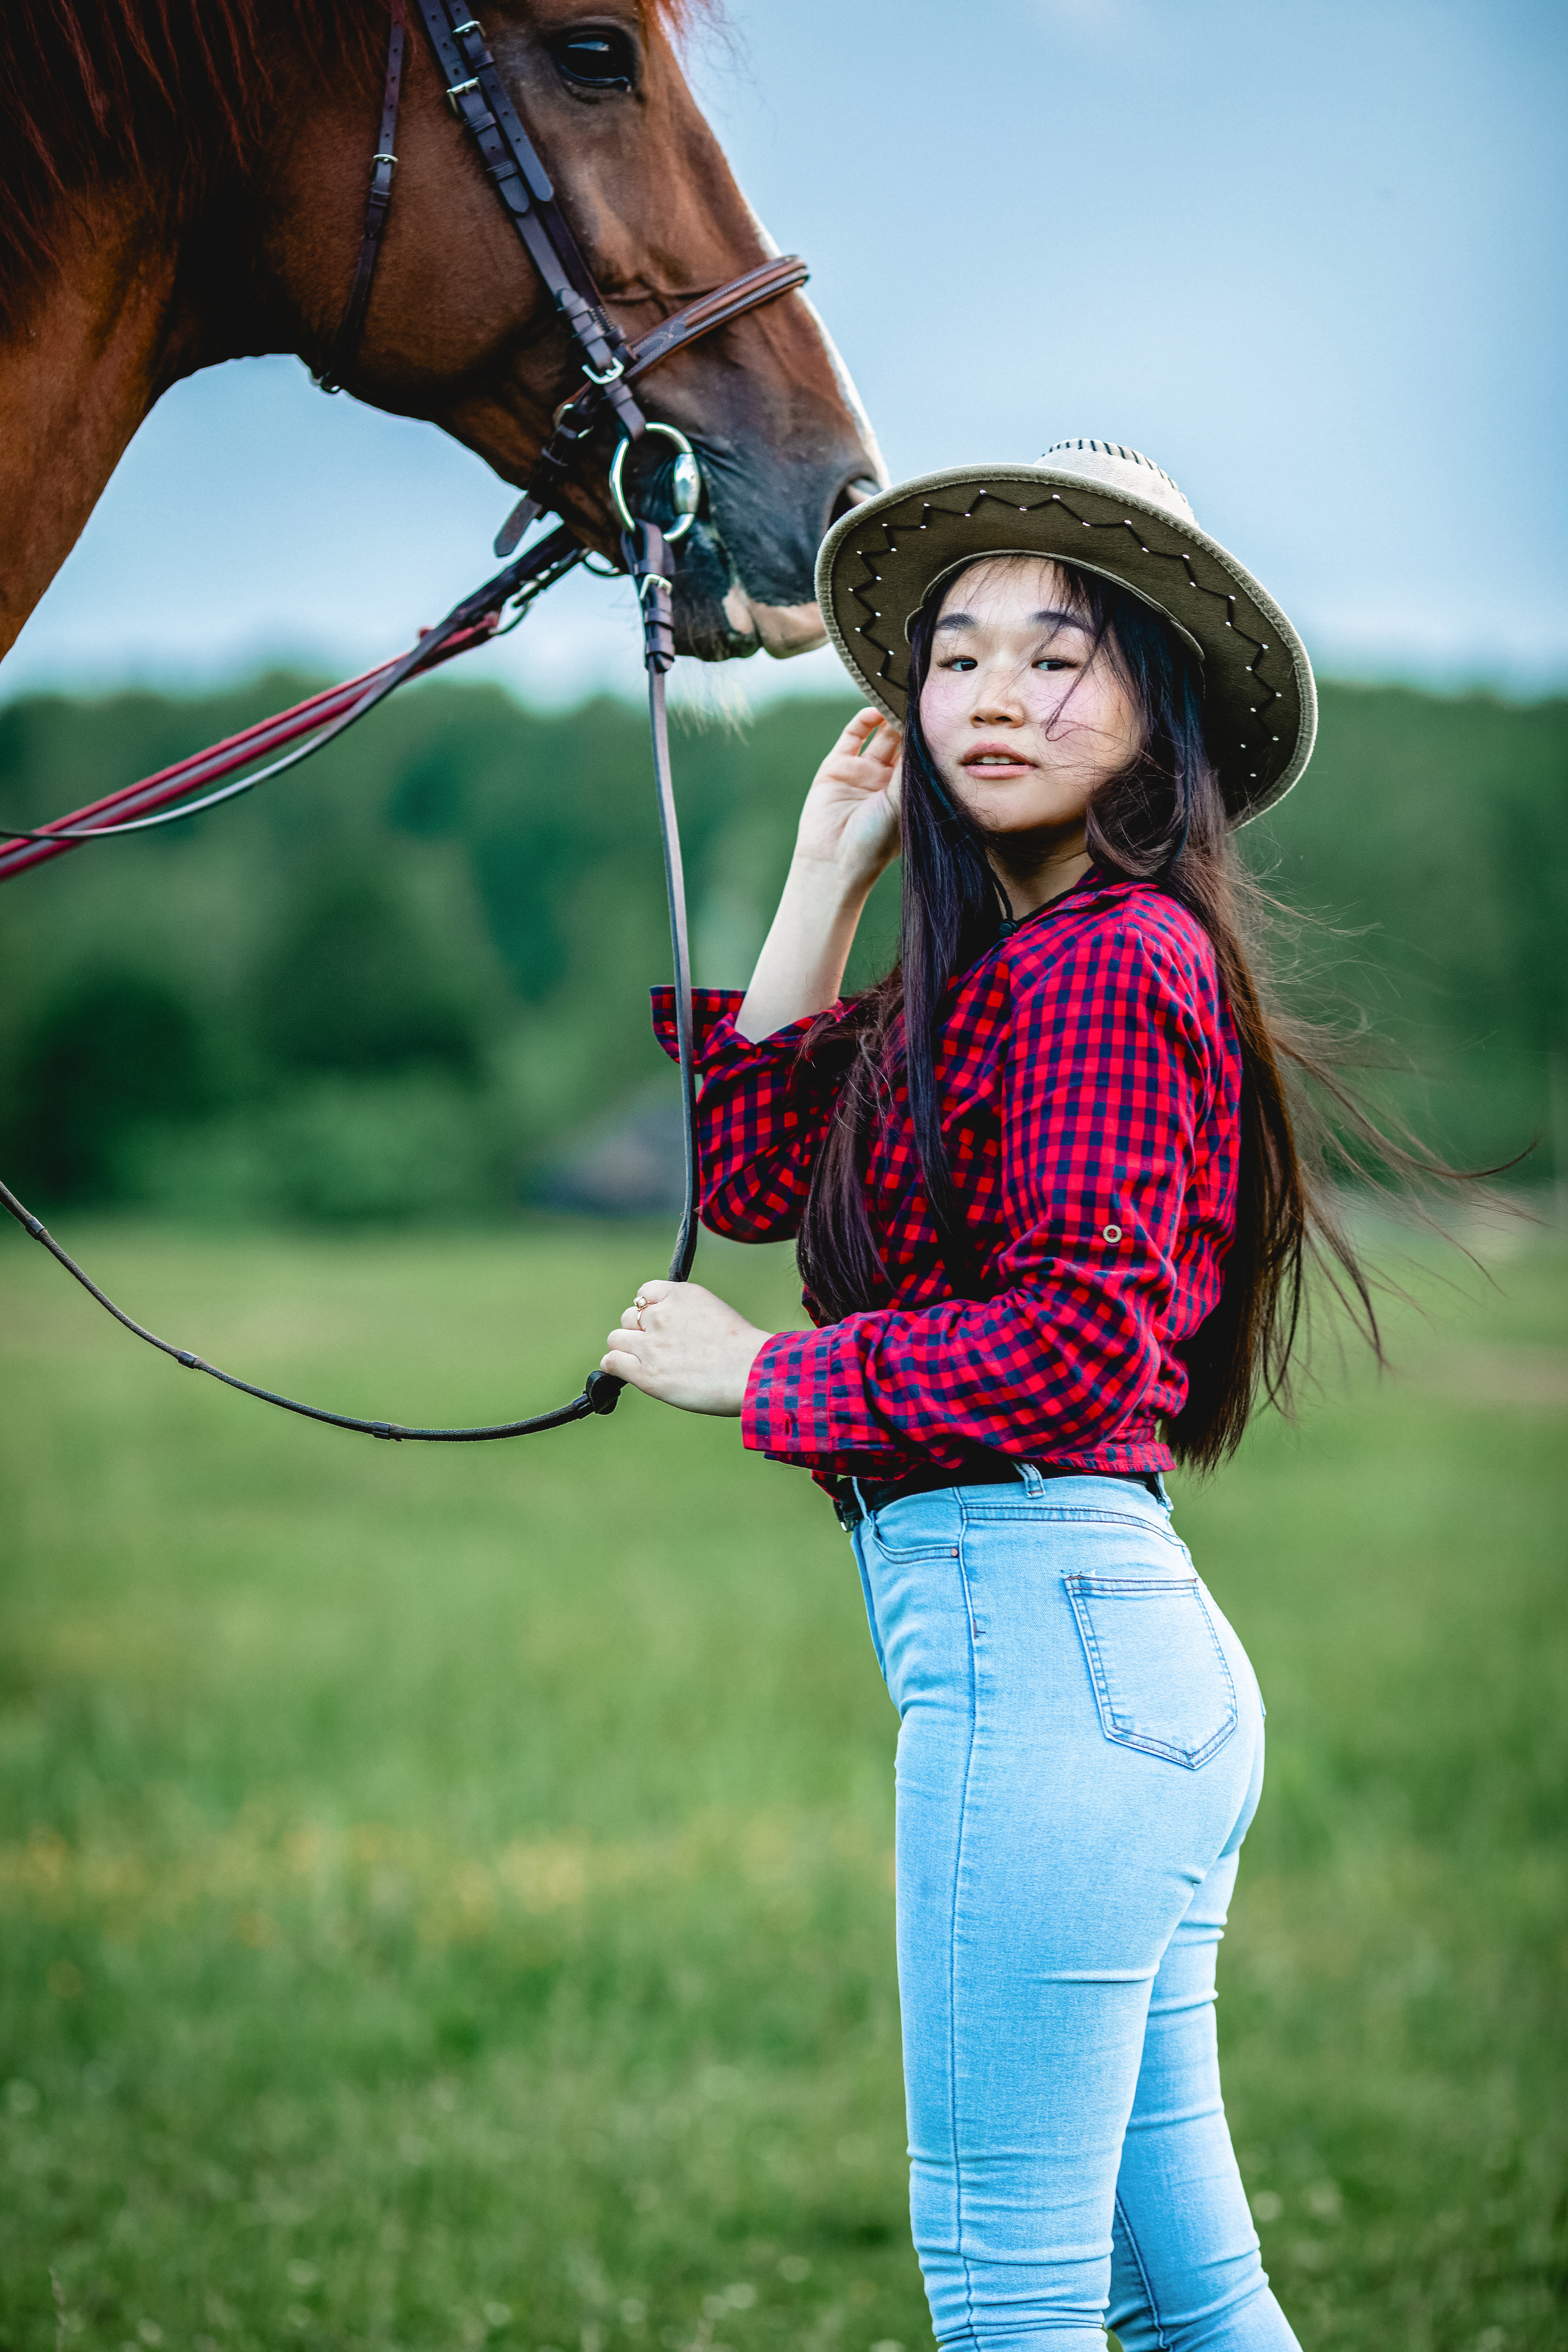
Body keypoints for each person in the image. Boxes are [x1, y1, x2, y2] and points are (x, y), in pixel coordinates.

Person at [601, 439, 1338, 2350]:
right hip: (1102, 1661)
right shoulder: (1003, 968)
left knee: (1014, 2295)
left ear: (1156, 701)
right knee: (1187, 2303)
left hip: (1052, 1658)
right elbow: (755, 1184)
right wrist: (825, 875)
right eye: (957, 657)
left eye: (1060, 654)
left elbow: (1079, 1346)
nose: (995, 695)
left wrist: (767, 1378)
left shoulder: (1104, 966)